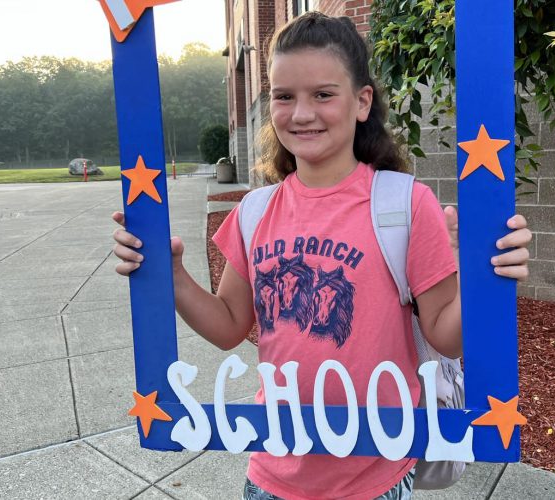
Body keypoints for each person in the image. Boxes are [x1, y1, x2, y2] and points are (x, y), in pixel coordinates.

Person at [112, 12, 531, 500]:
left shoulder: (404, 205)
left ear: (362, 101)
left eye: (323, 94)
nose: (302, 113)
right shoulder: (255, 211)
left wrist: (490, 280)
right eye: (284, 96)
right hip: (271, 475)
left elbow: (446, 335)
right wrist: (170, 274)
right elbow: (229, 326)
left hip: (375, 478)